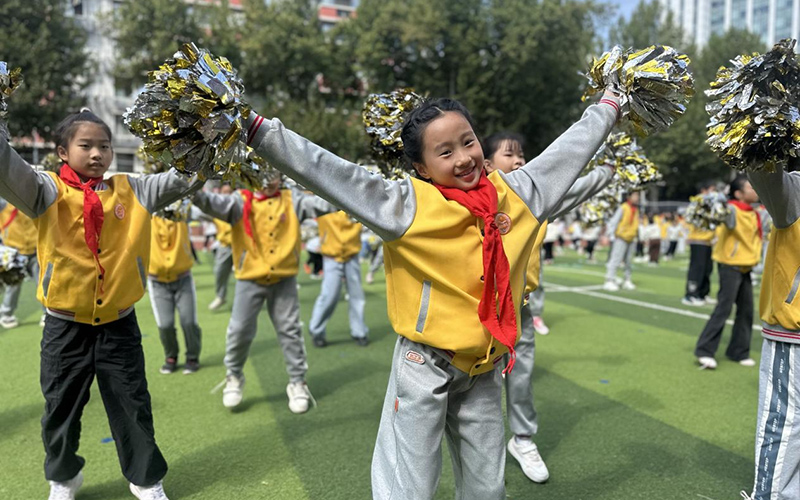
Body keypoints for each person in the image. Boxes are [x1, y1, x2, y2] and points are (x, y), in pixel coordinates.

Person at [242, 90, 619, 499]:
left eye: (468, 142)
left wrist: (609, 106)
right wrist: (254, 128)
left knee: (487, 488)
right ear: (420, 167)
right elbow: (326, 170)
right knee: (411, 487)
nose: (463, 158)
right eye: (444, 152)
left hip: (484, 371)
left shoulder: (520, 193)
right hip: (425, 367)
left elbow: (570, 149)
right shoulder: (403, 205)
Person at [0, 108, 198, 500]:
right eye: (85, 145)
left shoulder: (134, 188)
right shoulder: (45, 191)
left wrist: (204, 134)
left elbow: (183, 179)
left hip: (118, 323)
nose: (97, 154)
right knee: (60, 408)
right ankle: (64, 476)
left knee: (133, 403)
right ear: (62, 151)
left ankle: (145, 479)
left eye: (104, 146)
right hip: (64, 326)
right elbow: (6, 166)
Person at [483, 130, 616, 483]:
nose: (519, 161)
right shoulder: (477, 199)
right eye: (509, 155)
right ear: (486, 165)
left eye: (522, 154)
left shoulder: (536, 200)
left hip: (520, 309)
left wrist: (611, 171)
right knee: (477, 386)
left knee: (521, 377)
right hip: (479, 312)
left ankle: (522, 439)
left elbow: (576, 188)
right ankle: (479, 449)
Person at [192, 171, 336, 412]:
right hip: (250, 280)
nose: (269, 180)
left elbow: (322, 204)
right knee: (239, 330)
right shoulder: (239, 201)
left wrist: (344, 188)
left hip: (284, 279)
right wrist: (191, 180)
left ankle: (297, 382)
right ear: (248, 174)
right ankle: (234, 376)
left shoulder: (293, 200)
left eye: (274, 174)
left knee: (290, 331)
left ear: (281, 175)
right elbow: (209, 203)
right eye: (261, 174)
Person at [744, 167, 800, 500]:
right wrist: (760, 123)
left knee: (784, 421)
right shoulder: (794, 190)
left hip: (792, 336)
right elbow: (763, 170)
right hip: (794, 329)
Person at [694, 176, 762, 369]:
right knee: (724, 308)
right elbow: (720, 213)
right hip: (730, 265)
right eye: (750, 187)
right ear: (739, 193)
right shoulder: (731, 209)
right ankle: (704, 350)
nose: (755, 189)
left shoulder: (753, 212)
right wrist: (717, 199)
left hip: (745, 266)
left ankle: (738, 351)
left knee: (746, 311)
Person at [147, 204, 202, 375]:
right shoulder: (146, 213)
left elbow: (201, 210)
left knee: (189, 322)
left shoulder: (182, 211)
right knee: (165, 324)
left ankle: (192, 356)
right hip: (157, 282)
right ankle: (171, 356)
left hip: (183, 278)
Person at [308, 210, 369, 347]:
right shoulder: (324, 196)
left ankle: (359, 332)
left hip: (351, 253)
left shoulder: (355, 196)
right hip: (331, 255)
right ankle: (316, 329)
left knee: (356, 295)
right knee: (329, 296)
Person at [0, 198, 44, 328]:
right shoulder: (4, 203)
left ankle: (47, 313)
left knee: (42, 283)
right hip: (13, 251)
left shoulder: (34, 201)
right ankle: (6, 314)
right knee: (13, 284)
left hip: (36, 248)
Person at [683, 181, 718, 306]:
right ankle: (690, 295)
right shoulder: (697, 202)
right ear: (704, 190)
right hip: (698, 239)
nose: (713, 193)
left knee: (707, 269)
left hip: (708, 240)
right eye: (711, 189)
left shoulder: (712, 204)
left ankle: (703, 293)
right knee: (697, 268)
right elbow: (690, 218)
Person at [603, 191, 640, 291]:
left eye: (638, 196)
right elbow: (614, 221)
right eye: (635, 195)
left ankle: (627, 279)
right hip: (621, 237)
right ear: (629, 197)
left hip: (631, 238)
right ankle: (609, 280)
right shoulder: (623, 207)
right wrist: (610, 235)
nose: (637, 198)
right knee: (616, 259)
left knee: (628, 261)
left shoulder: (636, 209)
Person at [208, 183, 234, 311]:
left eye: (229, 192)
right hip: (225, 245)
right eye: (224, 192)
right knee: (219, 271)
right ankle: (220, 296)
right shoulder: (216, 208)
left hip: (241, 245)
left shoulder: (238, 205)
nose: (227, 194)